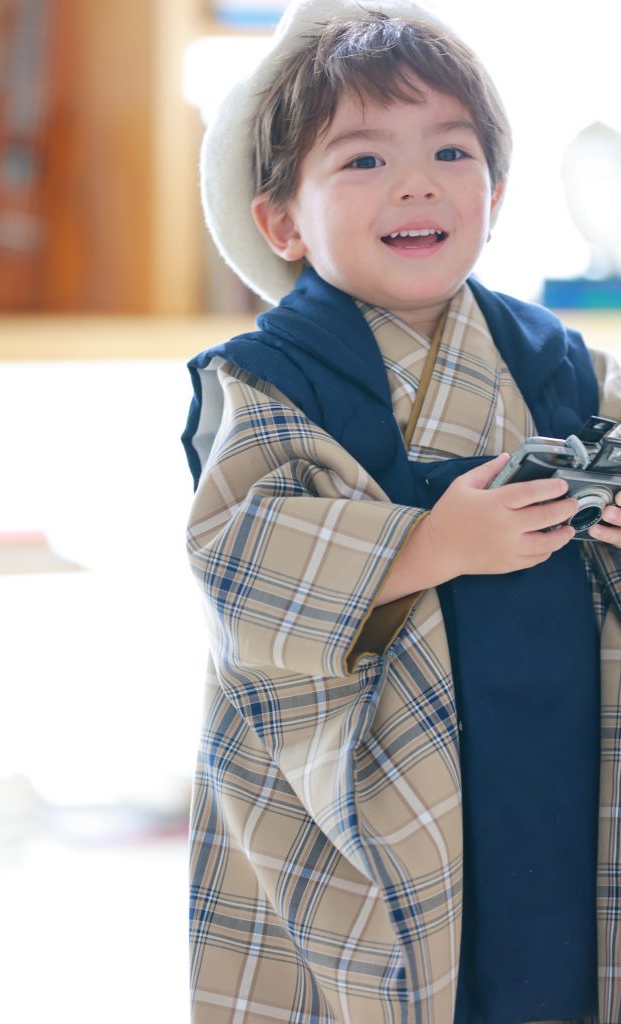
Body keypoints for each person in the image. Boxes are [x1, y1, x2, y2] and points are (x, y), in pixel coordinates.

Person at [182, 1, 621, 1020]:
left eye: (450, 151)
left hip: (545, 751)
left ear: (495, 193)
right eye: (363, 160)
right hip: (372, 781)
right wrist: (428, 543)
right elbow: (238, 557)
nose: (417, 181)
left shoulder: (553, 360)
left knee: (548, 967)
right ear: (282, 220)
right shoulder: (270, 378)